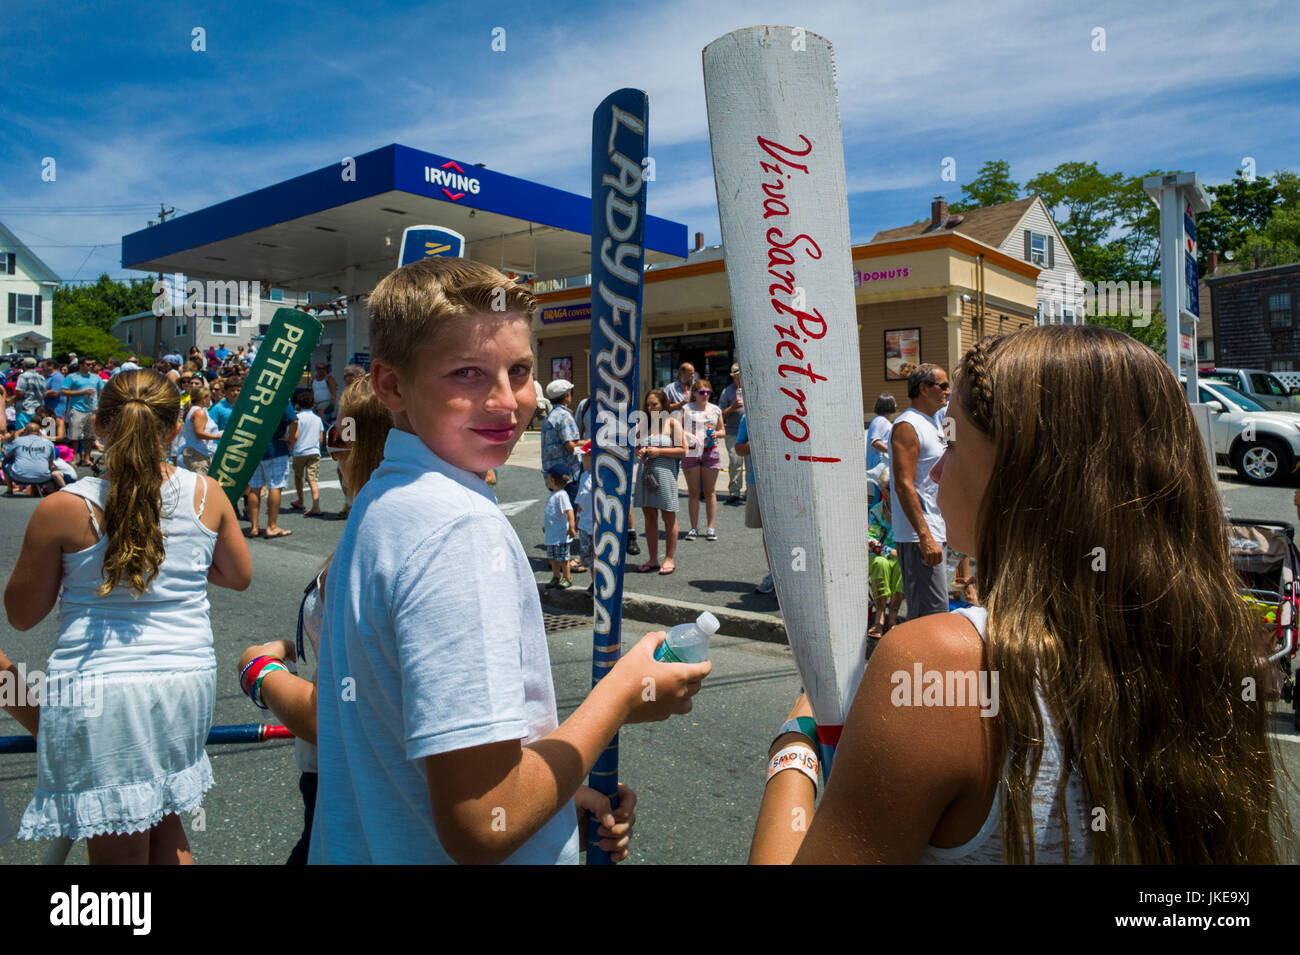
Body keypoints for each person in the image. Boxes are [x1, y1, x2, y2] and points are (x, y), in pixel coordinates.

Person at [749, 325, 1294, 864]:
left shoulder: (940, 661)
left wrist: (794, 750)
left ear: (1032, 468)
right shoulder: (1214, 646)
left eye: (956, 440)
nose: (938, 469)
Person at [309, 256, 709, 864]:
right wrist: (623, 694)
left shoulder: (386, 497)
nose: (505, 401)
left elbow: (432, 761)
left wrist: (552, 788)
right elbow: (481, 825)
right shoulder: (458, 527)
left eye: (519, 370)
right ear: (391, 386)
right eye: (467, 373)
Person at [2, 370, 251, 864]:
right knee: (164, 823)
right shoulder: (209, 494)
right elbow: (236, 575)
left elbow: (22, 616)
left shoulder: (64, 508)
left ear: (98, 425)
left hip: (102, 693)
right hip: (185, 681)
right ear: (174, 428)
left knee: (121, 856)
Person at [235, 373, 391, 864]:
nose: (332, 453)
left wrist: (258, 671)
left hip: (345, 779)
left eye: (335, 438)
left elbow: (337, 715)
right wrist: (295, 645)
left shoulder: (366, 547)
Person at [890, 363, 950, 621]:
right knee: (930, 617)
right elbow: (904, 484)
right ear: (924, 388)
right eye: (943, 385)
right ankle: (915, 662)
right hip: (920, 537)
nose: (948, 391)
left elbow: (955, 451)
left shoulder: (936, 422)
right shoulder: (907, 425)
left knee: (937, 614)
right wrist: (924, 536)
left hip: (938, 529)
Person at [632, 388, 685, 575]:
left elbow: (683, 450)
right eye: (648, 404)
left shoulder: (672, 424)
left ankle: (669, 558)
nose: (651, 407)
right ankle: (653, 558)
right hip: (646, 473)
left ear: (663, 404)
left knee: (668, 516)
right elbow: (635, 446)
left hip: (665, 473)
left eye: (654, 404)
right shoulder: (643, 424)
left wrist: (659, 451)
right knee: (649, 516)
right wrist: (639, 451)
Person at [245, 396, 298, 539]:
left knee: (254, 487)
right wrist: (291, 439)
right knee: (275, 486)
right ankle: (272, 526)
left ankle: (254, 526)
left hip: (255, 447)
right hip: (276, 446)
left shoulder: (253, 396)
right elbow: (293, 420)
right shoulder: (281, 397)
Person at [681, 378, 724, 542]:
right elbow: (677, 429)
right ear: (694, 394)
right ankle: (693, 528)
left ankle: (710, 528)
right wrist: (687, 435)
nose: (705, 395)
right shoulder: (686, 409)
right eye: (701, 392)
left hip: (709, 452)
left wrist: (716, 434)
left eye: (708, 392)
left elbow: (722, 430)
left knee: (710, 492)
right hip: (691, 452)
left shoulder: (715, 410)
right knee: (693, 492)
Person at [735, 413, 774, 595]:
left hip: (787, 481)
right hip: (757, 481)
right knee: (768, 531)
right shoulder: (748, 416)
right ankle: (773, 574)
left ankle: (791, 577)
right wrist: (754, 443)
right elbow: (739, 448)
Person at [867, 466, 902, 637]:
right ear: (882, 489)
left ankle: (893, 616)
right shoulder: (876, 511)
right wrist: (889, 552)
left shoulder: (906, 510)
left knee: (904, 565)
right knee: (880, 564)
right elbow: (869, 539)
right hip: (881, 555)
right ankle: (879, 616)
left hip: (902, 554)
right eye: (890, 487)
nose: (894, 491)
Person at [540, 379, 581, 499]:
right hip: (567, 475)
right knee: (572, 512)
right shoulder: (564, 415)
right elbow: (570, 446)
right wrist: (590, 443)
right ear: (566, 397)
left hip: (553, 476)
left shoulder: (549, 416)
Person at [4, 422, 65, 495]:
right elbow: (50, 463)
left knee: (6, 462)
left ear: (25, 431)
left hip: (19, 476)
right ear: (39, 432)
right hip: (43, 477)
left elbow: (6, 454)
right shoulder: (48, 443)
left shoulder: (18, 441)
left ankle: (9, 490)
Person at [290, 390, 324, 515]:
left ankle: (301, 501)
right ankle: (316, 506)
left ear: (298, 405)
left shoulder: (297, 418)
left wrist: (290, 444)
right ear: (313, 405)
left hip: (299, 451)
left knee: (298, 477)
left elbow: (295, 435)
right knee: (312, 479)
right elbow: (320, 439)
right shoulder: (317, 419)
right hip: (314, 451)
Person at [543, 467, 576, 589]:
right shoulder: (552, 495)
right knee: (552, 559)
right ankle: (556, 576)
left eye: (548, 478)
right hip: (551, 534)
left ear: (553, 480)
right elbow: (550, 513)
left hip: (561, 534)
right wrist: (546, 526)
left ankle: (567, 577)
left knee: (563, 558)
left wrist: (571, 526)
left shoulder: (562, 495)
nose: (547, 480)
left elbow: (569, 510)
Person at [718, 363, 746, 504]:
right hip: (733, 431)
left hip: (750, 434)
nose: (737, 378)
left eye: (739, 375)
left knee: (751, 463)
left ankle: (751, 491)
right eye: (735, 376)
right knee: (735, 462)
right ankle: (734, 491)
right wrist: (733, 407)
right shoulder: (727, 391)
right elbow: (721, 414)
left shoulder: (751, 387)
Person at [180, 383, 222, 475]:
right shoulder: (199, 412)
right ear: (204, 399)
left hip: (198, 454)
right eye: (209, 398)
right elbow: (199, 433)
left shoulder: (196, 410)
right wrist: (217, 437)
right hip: (198, 455)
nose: (210, 400)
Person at [62, 362, 99, 468]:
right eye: (88, 364)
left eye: (92, 364)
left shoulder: (96, 377)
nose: (91, 366)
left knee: (89, 436)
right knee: (75, 436)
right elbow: (64, 391)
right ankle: (73, 458)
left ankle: (86, 459)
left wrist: (98, 405)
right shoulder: (72, 377)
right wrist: (82, 392)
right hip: (77, 409)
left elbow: (101, 391)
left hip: (91, 410)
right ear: (81, 365)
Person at [866, 393, 896, 470]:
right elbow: (875, 442)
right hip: (880, 465)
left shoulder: (879, 420)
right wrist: (893, 452)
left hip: (880, 464)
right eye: (894, 403)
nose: (895, 405)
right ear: (889, 406)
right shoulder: (880, 421)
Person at [14, 357, 47, 427]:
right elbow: (44, 393)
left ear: (24, 365)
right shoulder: (41, 377)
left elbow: (20, 393)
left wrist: (12, 400)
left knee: (23, 432)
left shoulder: (23, 376)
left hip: (25, 409)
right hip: (38, 409)